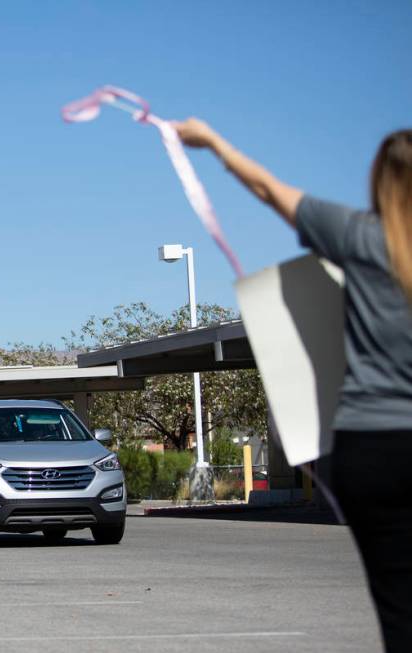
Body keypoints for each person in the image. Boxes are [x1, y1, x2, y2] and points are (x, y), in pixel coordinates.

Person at [174, 121, 412, 651]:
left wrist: (215, 143)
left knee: (398, 600)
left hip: (369, 447)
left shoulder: (359, 234)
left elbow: (268, 190)